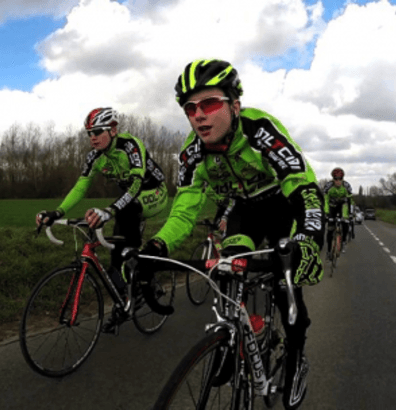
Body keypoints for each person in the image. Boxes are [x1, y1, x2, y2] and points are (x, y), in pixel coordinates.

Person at [139, 59, 324, 410]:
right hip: (246, 212)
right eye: (190, 108)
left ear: (234, 106)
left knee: (289, 290)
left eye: (209, 104)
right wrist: (156, 247)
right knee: (228, 266)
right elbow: (185, 209)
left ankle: (296, 358)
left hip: (285, 206)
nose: (198, 116)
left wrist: (309, 239)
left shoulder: (259, 129)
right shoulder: (192, 153)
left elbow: (302, 185)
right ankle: (231, 336)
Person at [35, 107, 168, 333]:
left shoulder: (131, 146)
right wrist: (58, 212)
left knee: (126, 221)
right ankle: (124, 300)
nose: (92, 137)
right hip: (128, 199)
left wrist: (110, 209)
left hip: (154, 193)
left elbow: (136, 185)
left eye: (97, 131)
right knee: (115, 255)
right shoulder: (94, 157)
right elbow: (81, 187)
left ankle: (144, 274)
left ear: (113, 129)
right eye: (88, 133)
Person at [323, 167, 354, 256]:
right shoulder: (328, 186)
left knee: (345, 223)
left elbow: (350, 200)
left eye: (340, 179)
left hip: (343, 206)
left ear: (342, 178)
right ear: (333, 179)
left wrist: (350, 214)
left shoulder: (346, 186)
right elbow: (326, 200)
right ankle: (329, 250)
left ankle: (343, 242)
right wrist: (326, 214)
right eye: (336, 179)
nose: (338, 181)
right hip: (332, 206)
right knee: (330, 229)